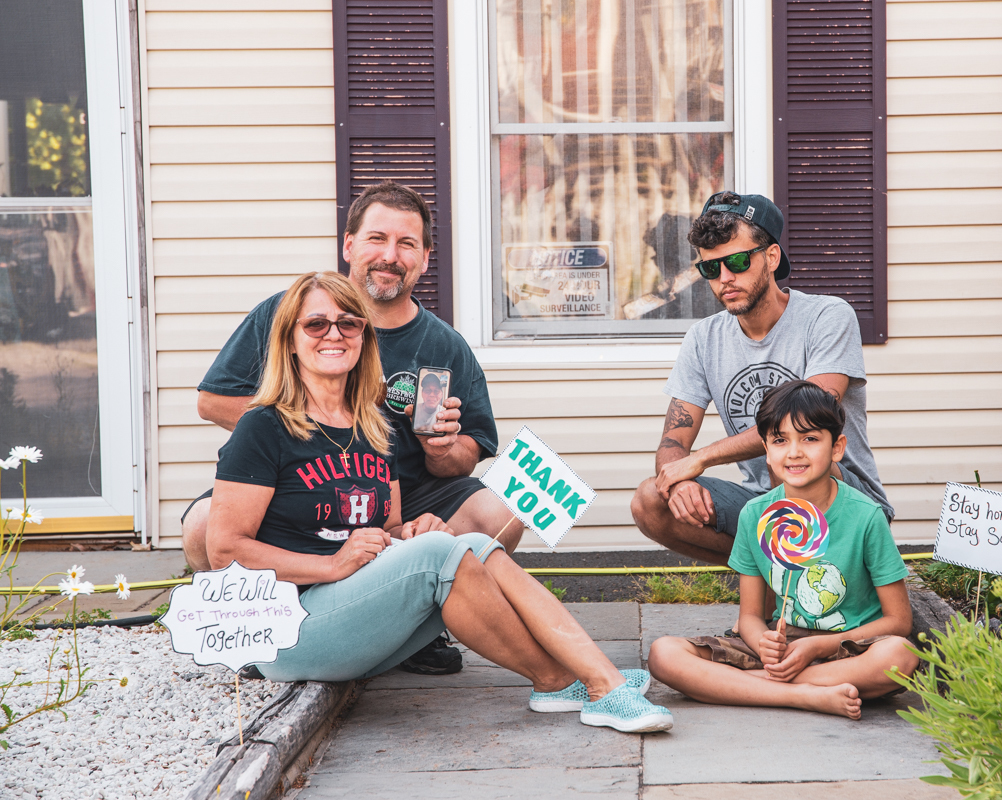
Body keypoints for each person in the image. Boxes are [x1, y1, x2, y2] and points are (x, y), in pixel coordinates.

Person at [208, 271, 673, 733]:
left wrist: (411, 532)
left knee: (471, 543)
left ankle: (585, 677)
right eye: (316, 324)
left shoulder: (375, 427)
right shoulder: (263, 426)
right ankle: (577, 682)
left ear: (364, 337)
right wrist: (331, 566)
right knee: (439, 554)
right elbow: (225, 551)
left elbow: (388, 530)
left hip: (355, 614)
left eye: (349, 323)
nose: (334, 334)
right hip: (287, 631)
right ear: (289, 341)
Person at [183, 183, 514, 674]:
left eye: (406, 244)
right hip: (300, 487)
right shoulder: (290, 311)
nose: (390, 255)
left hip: (401, 496)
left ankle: (417, 624)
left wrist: (440, 447)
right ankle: (253, 624)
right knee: (203, 527)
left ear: (425, 258)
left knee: (501, 514)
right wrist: (311, 424)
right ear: (349, 245)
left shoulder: (445, 345)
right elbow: (212, 401)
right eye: (377, 238)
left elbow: (470, 453)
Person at [630, 191, 893, 567]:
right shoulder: (704, 339)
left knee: (784, 454)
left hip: (846, 500)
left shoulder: (827, 316)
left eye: (737, 261)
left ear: (771, 257)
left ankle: (803, 581)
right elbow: (673, 442)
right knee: (650, 500)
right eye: (710, 268)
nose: (725, 278)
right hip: (762, 502)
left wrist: (701, 459)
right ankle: (772, 578)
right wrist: (681, 480)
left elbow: (805, 420)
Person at [646, 380, 917, 719]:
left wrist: (817, 646)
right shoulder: (755, 515)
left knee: (900, 656)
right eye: (779, 440)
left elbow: (898, 621)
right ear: (766, 450)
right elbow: (749, 617)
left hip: (846, 648)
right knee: (663, 654)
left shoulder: (865, 516)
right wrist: (763, 643)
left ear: (837, 448)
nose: (794, 452)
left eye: (810, 439)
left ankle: (750, 687)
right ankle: (806, 695)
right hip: (781, 646)